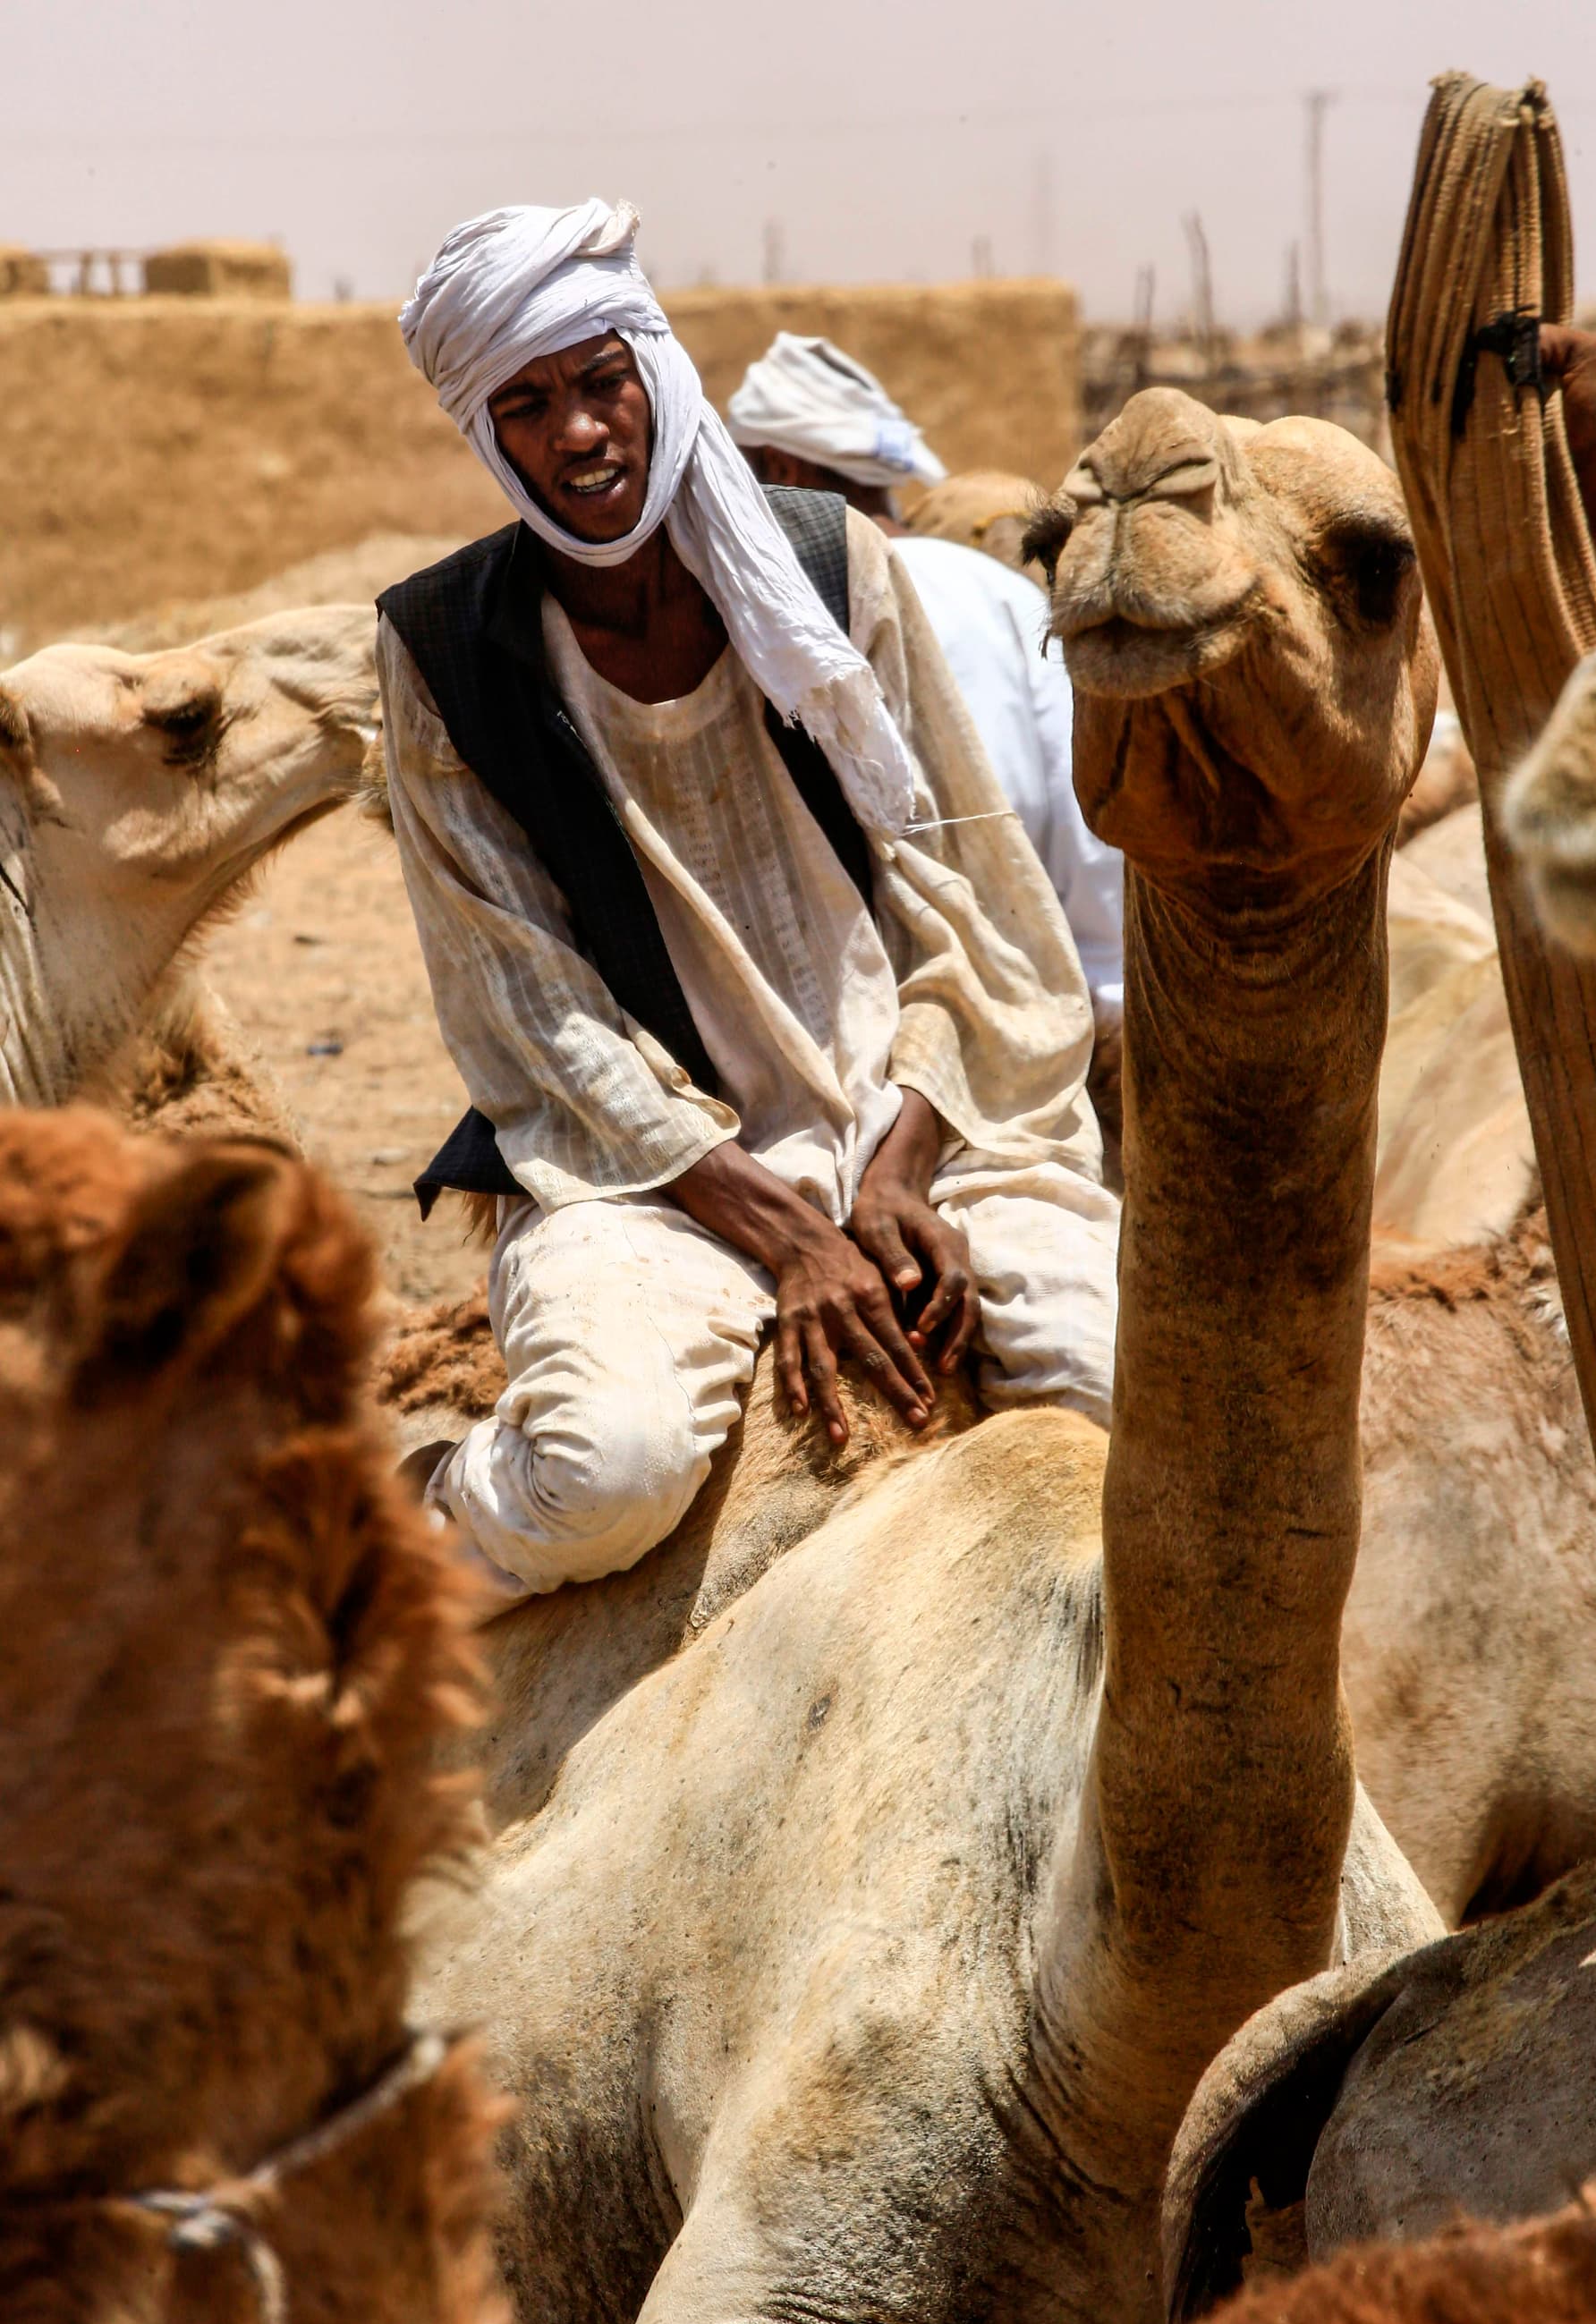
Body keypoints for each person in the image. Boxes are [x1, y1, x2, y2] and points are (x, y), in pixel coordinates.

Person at [379, 200, 1118, 1601]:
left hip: (929, 1117)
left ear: (656, 373)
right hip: (648, 1173)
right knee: (606, 1471)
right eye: (528, 404)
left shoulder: (834, 569)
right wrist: (788, 1234)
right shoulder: (444, 651)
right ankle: (396, 1540)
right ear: (487, 431)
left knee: (1107, 1383)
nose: (580, 434)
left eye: (601, 382)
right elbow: (537, 1021)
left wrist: (894, 1172)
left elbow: (973, 898)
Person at [728, 332, 1124, 1009]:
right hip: (1043, 1016)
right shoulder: (1002, 595)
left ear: (779, 467)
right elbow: (1087, 821)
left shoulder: (763, 616)